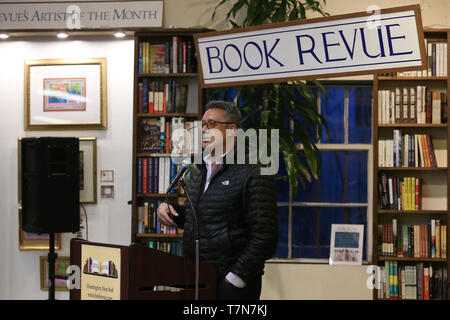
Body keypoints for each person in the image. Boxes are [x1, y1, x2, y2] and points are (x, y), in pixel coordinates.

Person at [157, 100, 278, 300]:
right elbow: (202, 216)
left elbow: (266, 237)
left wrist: (235, 278)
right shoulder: (198, 169)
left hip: (232, 285)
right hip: (197, 279)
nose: (204, 129)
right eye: (203, 124)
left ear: (231, 130)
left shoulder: (254, 171)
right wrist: (169, 210)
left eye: (211, 124)